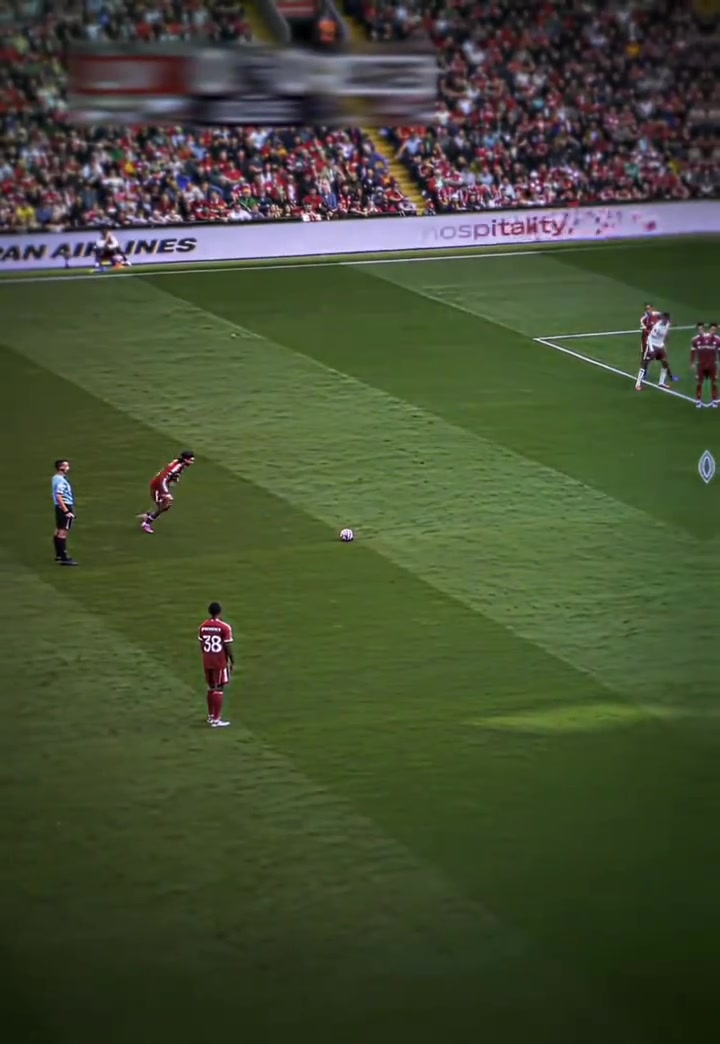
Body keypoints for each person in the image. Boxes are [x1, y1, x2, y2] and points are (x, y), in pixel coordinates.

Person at [139, 450, 195, 533]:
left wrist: (175, 478)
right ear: (185, 459)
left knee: (164, 505)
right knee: (165, 505)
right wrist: (166, 493)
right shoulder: (177, 466)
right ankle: (146, 523)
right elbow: (163, 479)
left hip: (162, 485)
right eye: (190, 460)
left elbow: (170, 473)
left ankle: (148, 515)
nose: (192, 462)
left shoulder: (181, 464)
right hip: (158, 486)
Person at [198, 602, 234, 727]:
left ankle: (210, 716)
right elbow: (227, 645)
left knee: (211, 687)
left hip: (207, 660)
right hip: (219, 661)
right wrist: (232, 660)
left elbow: (202, 645)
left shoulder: (203, 626)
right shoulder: (224, 627)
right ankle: (217, 719)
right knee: (219, 688)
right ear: (220, 612)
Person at [636, 312, 673, 390]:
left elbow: (665, 335)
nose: (665, 320)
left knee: (665, 363)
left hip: (660, 346)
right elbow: (649, 337)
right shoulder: (657, 326)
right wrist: (651, 350)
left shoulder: (667, 324)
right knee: (645, 363)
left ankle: (661, 383)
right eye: (664, 319)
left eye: (666, 319)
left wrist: (664, 346)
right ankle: (638, 384)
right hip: (652, 345)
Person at [52, 459, 78, 566]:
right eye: (66, 466)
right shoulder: (61, 481)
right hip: (65, 506)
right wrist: (66, 511)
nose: (68, 468)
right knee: (63, 531)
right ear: (61, 467)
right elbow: (59, 495)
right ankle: (64, 558)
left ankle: (59, 556)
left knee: (59, 530)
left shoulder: (56, 478)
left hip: (59, 507)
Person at [691, 322, 718, 408]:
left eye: (715, 330)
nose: (713, 331)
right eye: (712, 329)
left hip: (712, 365)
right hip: (701, 365)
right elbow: (693, 351)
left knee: (714, 383)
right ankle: (699, 400)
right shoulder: (695, 340)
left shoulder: (717, 340)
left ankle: (714, 400)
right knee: (699, 383)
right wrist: (693, 363)